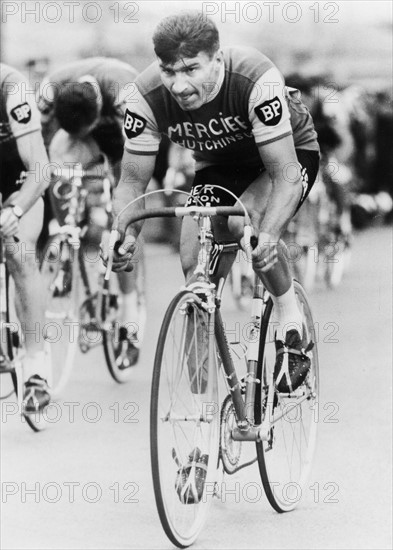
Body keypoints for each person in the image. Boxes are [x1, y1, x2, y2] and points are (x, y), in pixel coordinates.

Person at [108, 12, 320, 500]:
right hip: (219, 167)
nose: (179, 85)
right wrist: (123, 232)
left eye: (192, 69)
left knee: (248, 230)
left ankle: (290, 319)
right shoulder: (144, 97)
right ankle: (201, 432)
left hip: (285, 157)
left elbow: (285, 173)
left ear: (218, 59)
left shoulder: (256, 79)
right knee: (194, 272)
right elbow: (133, 183)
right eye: (169, 70)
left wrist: (269, 233)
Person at [37, 57, 142, 367]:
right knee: (56, 162)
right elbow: (37, 141)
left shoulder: (124, 90)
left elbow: (141, 149)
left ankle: (130, 323)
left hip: (120, 137)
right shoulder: (49, 90)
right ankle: (68, 232)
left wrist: (121, 191)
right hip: (72, 134)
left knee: (125, 215)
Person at [0, 63, 51, 412]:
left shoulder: (12, 87)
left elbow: (41, 171)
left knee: (19, 252)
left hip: (18, 178)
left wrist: (15, 212)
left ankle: (36, 368)